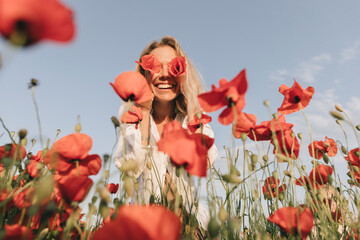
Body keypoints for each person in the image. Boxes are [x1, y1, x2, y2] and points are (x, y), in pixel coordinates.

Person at [114, 36, 218, 230]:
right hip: (144, 225)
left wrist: (193, 99)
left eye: (173, 67)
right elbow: (131, 168)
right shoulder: (130, 114)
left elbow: (208, 158)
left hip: (189, 223)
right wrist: (144, 111)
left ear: (183, 74)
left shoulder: (192, 115)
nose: (164, 74)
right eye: (155, 67)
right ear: (144, 74)